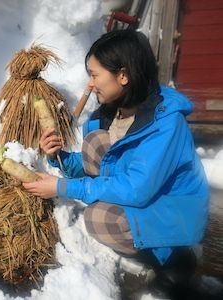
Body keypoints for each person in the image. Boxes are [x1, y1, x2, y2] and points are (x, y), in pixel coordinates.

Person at [23, 29, 209, 298]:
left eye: (95, 75)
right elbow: (97, 165)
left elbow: (136, 189)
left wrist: (63, 188)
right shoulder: (110, 115)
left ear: (123, 75)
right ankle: (147, 237)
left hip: (171, 210)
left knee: (99, 218)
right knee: (95, 142)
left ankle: (174, 258)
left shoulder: (166, 125)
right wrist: (59, 157)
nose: (90, 84)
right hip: (141, 193)